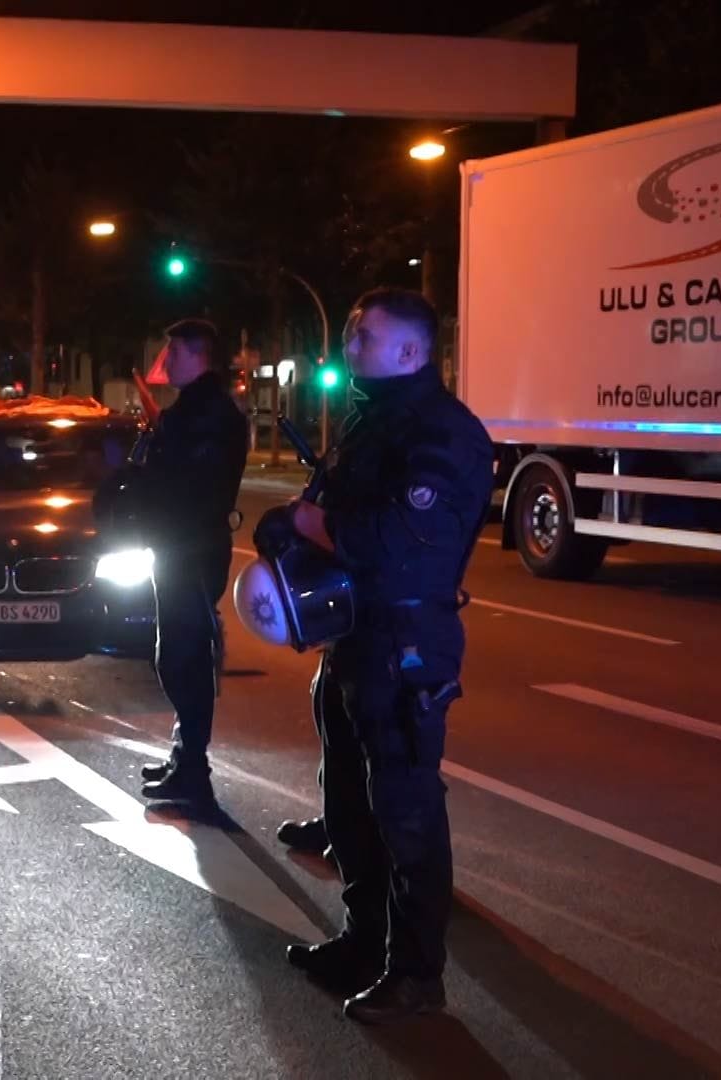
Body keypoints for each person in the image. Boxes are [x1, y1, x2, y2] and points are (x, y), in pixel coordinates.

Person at [265, 288, 492, 1025]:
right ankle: (362, 942)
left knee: (406, 808)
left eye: (366, 333)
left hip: (406, 644)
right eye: (352, 328)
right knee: (350, 803)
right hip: (355, 638)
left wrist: (310, 519)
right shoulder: (373, 419)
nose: (350, 340)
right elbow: (337, 511)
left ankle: (416, 975)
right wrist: (294, 533)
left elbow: (397, 541)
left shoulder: (443, 432)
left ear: (411, 352)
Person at [126, 319, 249, 805]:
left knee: (185, 657)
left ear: (198, 356)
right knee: (176, 652)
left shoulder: (209, 416)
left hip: (190, 548)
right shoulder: (195, 412)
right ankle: (186, 756)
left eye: (173, 353)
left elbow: (188, 486)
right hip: (180, 545)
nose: (165, 361)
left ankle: (194, 768)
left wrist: (151, 464)